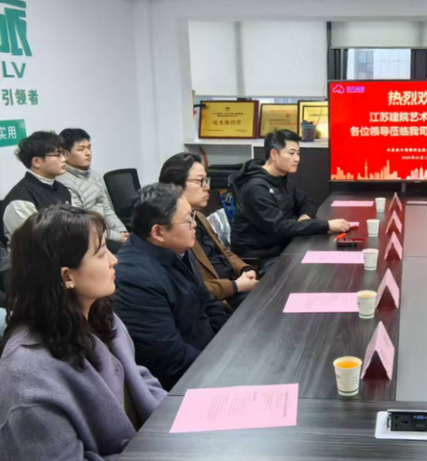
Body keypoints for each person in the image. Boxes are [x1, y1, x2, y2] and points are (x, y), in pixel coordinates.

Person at [0, 205, 166, 459]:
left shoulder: (100, 314)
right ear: (67, 276)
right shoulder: (26, 375)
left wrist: (180, 416)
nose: (114, 260)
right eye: (101, 253)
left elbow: (136, 377)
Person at [114, 184, 229, 390]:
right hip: (186, 383)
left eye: (192, 216)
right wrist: (224, 366)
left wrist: (231, 345)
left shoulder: (175, 248)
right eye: (187, 220)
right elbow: (170, 358)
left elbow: (209, 304)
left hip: (210, 357)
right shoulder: (133, 279)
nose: (194, 224)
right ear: (158, 232)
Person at [231, 129, 350, 274]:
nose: (297, 159)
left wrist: (305, 216)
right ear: (274, 154)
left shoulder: (280, 179)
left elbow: (305, 201)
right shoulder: (256, 188)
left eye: (298, 153)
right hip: (259, 259)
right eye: (291, 153)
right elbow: (280, 227)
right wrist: (327, 225)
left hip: (283, 247)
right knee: (315, 272)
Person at [159, 153, 257, 310]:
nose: (207, 187)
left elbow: (224, 251)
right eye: (200, 181)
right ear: (175, 187)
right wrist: (235, 285)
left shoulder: (199, 216)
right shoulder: (172, 230)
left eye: (207, 181)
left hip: (236, 283)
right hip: (219, 300)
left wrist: (245, 269)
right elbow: (192, 288)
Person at [56, 128, 129, 252]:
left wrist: (122, 231)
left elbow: (107, 209)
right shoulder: (63, 182)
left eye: (89, 148)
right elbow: (81, 224)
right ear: (66, 154)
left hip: (107, 234)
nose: (88, 153)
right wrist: (117, 237)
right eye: (81, 149)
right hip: (87, 239)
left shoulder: (95, 176)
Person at [1, 131, 71, 248]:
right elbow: (36, 244)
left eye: (63, 153)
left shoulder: (61, 188)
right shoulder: (20, 200)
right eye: (58, 155)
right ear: (37, 162)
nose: (64, 159)